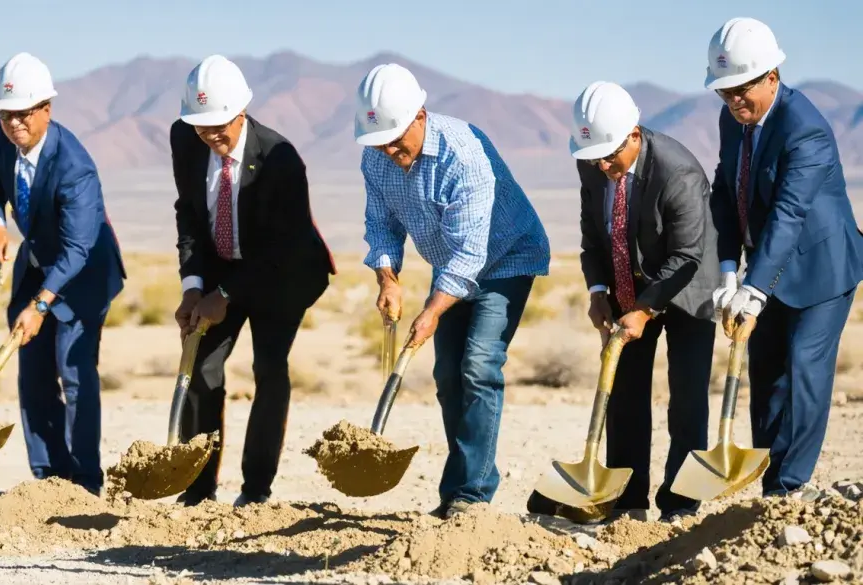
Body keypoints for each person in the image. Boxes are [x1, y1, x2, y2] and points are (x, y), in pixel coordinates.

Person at [354, 63, 550, 520]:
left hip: (505, 259)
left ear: (420, 116)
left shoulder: (462, 154)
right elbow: (380, 225)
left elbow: (470, 253)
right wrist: (388, 279)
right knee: (447, 376)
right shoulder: (375, 155)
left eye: (397, 137)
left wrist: (433, 309)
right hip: (450, 267)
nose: (389, 148)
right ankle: (459, 488)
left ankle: (472, 495)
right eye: (379, 140)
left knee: (478, 365)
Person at [528, 81, 722, 523]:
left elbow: (687, 255)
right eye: (593, 155)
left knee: (687, 401)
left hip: (689, 287)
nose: (601, 163)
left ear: (634, 134)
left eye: (609, 155)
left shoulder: (678, 172)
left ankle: (680, 506)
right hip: (627, 282)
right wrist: (599, 292)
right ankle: (627, 502)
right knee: (624, 396)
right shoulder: (593, 162)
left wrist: (644, 311)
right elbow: (593, 235)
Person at [705, 18, 863, 502]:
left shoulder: (805, 129)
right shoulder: (734, 121)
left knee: (802, 370)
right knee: (766, 372)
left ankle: (790, 489)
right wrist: (729, 271)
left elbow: (789, 215)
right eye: (725, 90)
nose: (733, 100)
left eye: (742, 88)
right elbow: (725, 194)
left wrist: (754, 289)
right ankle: (771, 483)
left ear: (771, 76)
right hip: (768, 266)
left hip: (823, 267)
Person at [171, 55, 335, 507]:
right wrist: (193, 286)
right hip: (222, 265)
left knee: (269, 368)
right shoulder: (185, 139)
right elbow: (189, 213)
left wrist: (224, 295)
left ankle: (255, 489)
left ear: (242, 111)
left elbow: (283, 247)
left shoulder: (280, 160)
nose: (212, 136)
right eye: (202, 128)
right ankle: (198, 490)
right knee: (201, 367)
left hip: (283, 273)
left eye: (220, 126)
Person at [0, 52, 126, 496]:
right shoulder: (3, 137)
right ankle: (48, 478)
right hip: (38, 262)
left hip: (84, 273)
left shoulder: (75, 167)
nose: (14, 123)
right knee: (33, 372)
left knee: (74, 372)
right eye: (5, 115)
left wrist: (41, 304)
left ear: (46, 109)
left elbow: (78, 248)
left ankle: (85, 482)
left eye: (23, 114)